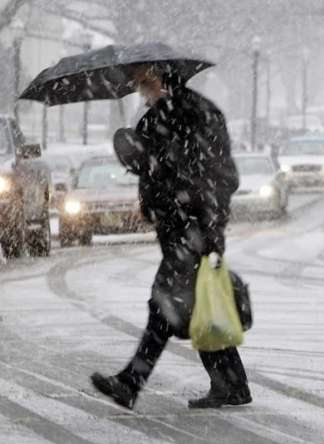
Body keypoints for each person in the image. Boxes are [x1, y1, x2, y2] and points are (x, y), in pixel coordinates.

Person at [90, 63, 252, 409]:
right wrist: (131, 150)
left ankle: (131, 382)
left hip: (192, 229)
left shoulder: (197, 114)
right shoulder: (159, 117)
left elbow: (222, 177)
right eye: (138, 83)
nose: (139, 88)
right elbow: (148, 165)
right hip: (179, 228)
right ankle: (232, 385)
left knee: (163, 306)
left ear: (164, 78)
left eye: (145, 80)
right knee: (197, 306)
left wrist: (203, 222)